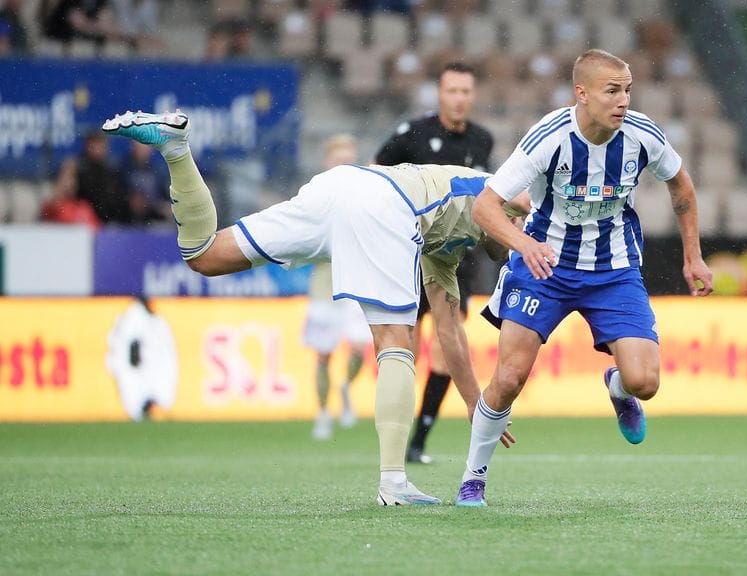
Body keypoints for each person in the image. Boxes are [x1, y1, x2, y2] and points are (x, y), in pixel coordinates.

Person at [103, 109, 518, 506]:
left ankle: (176, 149)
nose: (516, 235)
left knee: (206, 255)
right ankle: (394, 482)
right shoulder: (489, 190)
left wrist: (474, 404)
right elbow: (529, 203)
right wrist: (540, 242)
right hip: (383, 202)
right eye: (515, 228)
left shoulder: (450, 249)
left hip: (339, 189)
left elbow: (450, 332)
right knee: (396, 340)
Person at [453, 49, 714, 507]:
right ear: (582, 93)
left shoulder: (641, 135)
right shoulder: (548, 138)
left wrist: (693, 257)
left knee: (645, 383)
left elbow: (682, 185)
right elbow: (485, 206)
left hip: (613, 269)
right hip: (545, 266)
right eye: (612, 91)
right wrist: (525, 245)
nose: (623, 101)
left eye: (628, 90)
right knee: (511, 376)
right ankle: (473, 478)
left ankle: (617, 387)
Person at [375, 61, 494, 465]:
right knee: (403, 348)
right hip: (409, 256)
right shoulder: (414, 134)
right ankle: (395, 436)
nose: (459, 98)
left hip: (457, 259)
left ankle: (419, 441)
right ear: (439, 95)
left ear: (473, 96)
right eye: (452, 91)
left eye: (465, 91)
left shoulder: (483, 140)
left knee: (446, 349)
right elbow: (377, 174)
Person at [306, 135, 372, 440]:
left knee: (359, 347)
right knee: (323, 354)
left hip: (357, 280)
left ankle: (345, 387)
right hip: (325, 282)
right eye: (339, 160)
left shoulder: (366, 195)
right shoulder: (315, 195)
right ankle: (322, 413)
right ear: (327, 163)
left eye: (350, 160)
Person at [77, 129, 127, 224]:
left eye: (101, 144)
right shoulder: (79, 168)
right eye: (94, 144)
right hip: (84, 220)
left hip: (109, 221)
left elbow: (117, 198)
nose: (98, 149)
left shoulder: (112, 170)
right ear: (87, 146)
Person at [39, 157, 101, 230]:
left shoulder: (85, 207)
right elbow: (48, 212)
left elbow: (97, 232)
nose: (71, 183)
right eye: (67, 178)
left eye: (73, 178)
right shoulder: (54, 205)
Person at [120, 140, 170, 224]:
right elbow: (119, 192)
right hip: (128, 214)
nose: (142, 149)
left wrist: (164, 206)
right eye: (139, 145)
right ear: (133, 146)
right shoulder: (124, 168)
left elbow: (164, 195)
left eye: (145, 146)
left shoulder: (157, 169)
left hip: (154, 213)